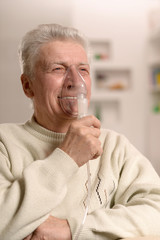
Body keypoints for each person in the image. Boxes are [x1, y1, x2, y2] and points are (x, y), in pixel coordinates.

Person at [0, 23, 160, 240]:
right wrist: (67, 157)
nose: (76, 82)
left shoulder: (114, 146)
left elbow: (155, 214)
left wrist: (71, 229)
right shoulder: (5, 144)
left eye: (83, 70)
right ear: (28, 86)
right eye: (58, 68)